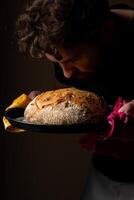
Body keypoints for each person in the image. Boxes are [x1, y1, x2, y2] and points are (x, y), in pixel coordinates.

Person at [16, 0, 134, 199]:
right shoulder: (70, 39)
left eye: (71, 60)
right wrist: (52, 102)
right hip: (104, 176)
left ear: (106, 32)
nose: (67, 74)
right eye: (58, 63)